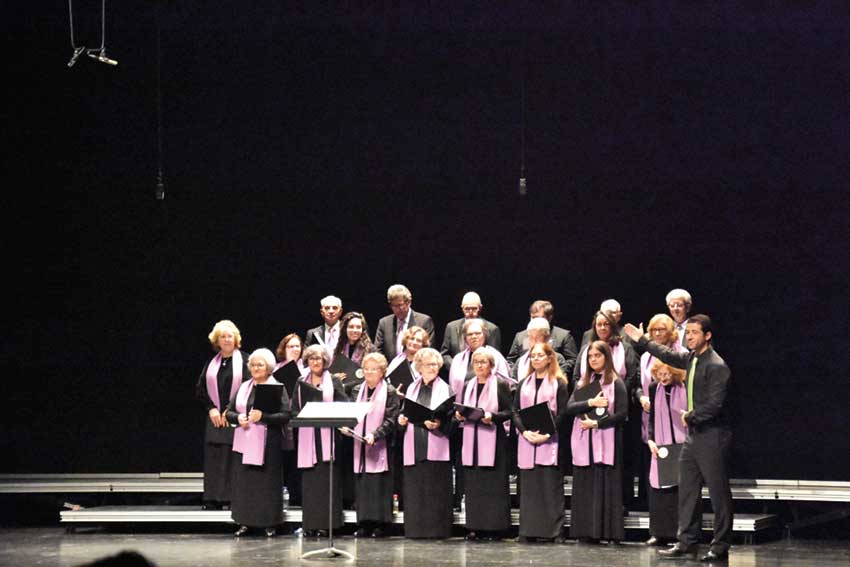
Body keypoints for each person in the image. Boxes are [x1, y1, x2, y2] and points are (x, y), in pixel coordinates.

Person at [624, 314, 733, 563]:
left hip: (713, 436)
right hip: (694, 437)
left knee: (718, 494)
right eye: (689, 332)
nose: (689, 336)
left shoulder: (716, 365)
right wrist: (642, 340)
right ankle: (687, 542)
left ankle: (720, 545)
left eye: (695, 332)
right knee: (687, 490)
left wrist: (691, 416)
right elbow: (667, 354)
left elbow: (716, 405)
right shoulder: (691, 358)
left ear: (707, 335)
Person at [225, 348, 291, 537]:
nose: (255, 368)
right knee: (245, 483)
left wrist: (264, 416)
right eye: (253, 365)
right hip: (244, 442)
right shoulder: (244, 387)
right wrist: (238, 418)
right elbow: (228, 411)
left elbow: (286, 415)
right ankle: (245, 521)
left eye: (259, 365)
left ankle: (269, 522)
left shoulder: (277, 387)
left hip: (268, 444)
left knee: (266, 484)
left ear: (268, 367)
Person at [567, 340, 629, 544]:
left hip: (607, 440)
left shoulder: (616, 382)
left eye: (597, 356)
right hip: (584, 441)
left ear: (606, 357)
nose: (593, 359)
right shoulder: (583, 382)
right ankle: (585, 532)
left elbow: (622, 414)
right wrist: (590, 403)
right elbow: (570, 408)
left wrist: (597, 424)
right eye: (590, 357)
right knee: (585, 485)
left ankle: (609, 533)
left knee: (606, 484)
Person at [512, 342, 570, 542]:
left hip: (549, 440)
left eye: (539, 355)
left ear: (549, 358)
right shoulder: (523, 383)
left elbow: (564, 412)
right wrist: (524, 431)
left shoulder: (559, 383)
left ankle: (554, 532)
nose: (536, 359)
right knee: (530, 489)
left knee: (550, 487)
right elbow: (515, 411)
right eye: (533, 356)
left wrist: (547, 433)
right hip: (527, 440)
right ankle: (528, 531)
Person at [454, 347, 513, 540]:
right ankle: (475, 527)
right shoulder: (468, 384)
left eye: (483, 362)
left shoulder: (500, 384)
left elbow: (510, 412)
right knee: (474, 485)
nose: (479, 365)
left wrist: (492, 416)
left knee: (492, 485)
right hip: (472, 440)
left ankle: (494, 528)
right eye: (476, 362)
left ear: (491, 365)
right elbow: (465, 409)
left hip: (493, 440)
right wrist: (459, 415)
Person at [292, 344, 349, 537]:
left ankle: (327, 525)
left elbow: (344, 406)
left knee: (327, 484)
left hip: (329, 437)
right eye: (311, 358)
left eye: (319, 358)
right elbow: (293, 409)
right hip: (308, 437)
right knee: (310, 485)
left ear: (325, 361)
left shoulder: (333, 380)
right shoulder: (301, 382)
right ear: (307, 361)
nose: (315, 362)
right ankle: (310, 524)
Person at [340, 353, 400, 538]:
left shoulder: (389, 391)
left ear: (382, 372)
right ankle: (364, 523)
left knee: (379, 485)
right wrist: (347, 427)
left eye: (374, 369)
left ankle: (381, 524)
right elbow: (352, 413)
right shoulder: (357, 389)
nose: (369, 372)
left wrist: (376, 434)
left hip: (380, 444)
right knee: (362, 484)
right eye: (366, 368)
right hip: (360, 443)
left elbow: (392, 419)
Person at [398, 347, 454, 539]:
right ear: (419, 367)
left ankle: (437, 530)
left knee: (434, 489)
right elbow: (405, 411)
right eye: (428, 364)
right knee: (415, 489)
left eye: (435, 364)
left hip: (436, 443)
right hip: (414, 442)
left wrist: (439, 423)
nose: (432, 367)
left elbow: (451, 418)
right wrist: (401, 419)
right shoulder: (412, 387)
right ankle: (416, 530)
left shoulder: (445, 388)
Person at [195, 319, 250, 511]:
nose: (227, 340)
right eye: (223, 337)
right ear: (217, 341)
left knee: (231, 458)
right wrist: (211, 408)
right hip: (215, 418)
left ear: (236, 339)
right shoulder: (212, 363)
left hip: (236, 417)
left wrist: (230, 409)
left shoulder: (245, 360)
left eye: (230, 336)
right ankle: (212, 497)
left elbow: (249, 387)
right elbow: (200, 389)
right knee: (214, 457)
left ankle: (230, 497)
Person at [635, 314, 685, 517]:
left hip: (676, 420)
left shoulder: (679, 353)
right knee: (656, 469)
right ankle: (659, 525)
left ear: (671, 332)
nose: (656, 334)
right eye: (653, 330)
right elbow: (639, 384)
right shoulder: (646, 355)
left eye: (661, 330)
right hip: (652, 417)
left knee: (677, 473)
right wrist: (641, 398)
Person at [646, 360, 688, 546]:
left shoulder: (685, 387)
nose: (662, 378)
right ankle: (659, 533)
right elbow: (652, 417)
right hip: (661, 444)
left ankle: (680, 533)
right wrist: (651, 439)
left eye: (667, 374)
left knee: (680, 488)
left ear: (675, 373)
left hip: (682, 443)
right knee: (659, 488)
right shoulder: (655, 388)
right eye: (659, 374)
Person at [272, 332, 305, 508]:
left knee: (298, 462)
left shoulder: (307, 369)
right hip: (282, 422)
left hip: (302, 423)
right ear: (283, 349)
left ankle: (298, 498)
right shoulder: (275, 370)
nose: (294, 349)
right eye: (290, 346)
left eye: (297, 346)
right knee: (284, 460)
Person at [507, 300, 578, 376]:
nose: (535, 320)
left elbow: (573, 360)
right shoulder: (520, 336)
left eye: (538, 317)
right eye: (533, 317)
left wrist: (556, 370)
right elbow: (511, 361)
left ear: (549, 318)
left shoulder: (563, 336)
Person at [440, 291, 502, 368]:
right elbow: (444, 354)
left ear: (480, 308)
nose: (470, 312)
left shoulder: (492, 329)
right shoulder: (451, 327)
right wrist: (455, 365)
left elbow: (495, 357)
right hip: (458, 374)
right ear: (462, 308)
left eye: (474, 309)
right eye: (467, 309)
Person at [374, 284, 435, 360]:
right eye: (394, 305)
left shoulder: (424, 321)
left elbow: (428, 351)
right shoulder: (384, 323)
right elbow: (378, 350)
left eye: (400, 305)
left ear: (409, 302)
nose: (397, 309)